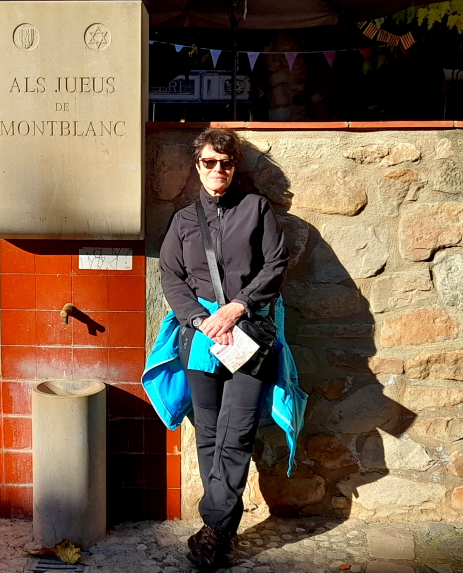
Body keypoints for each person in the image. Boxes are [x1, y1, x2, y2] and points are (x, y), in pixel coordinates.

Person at [144, 127, 304, 571]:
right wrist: (200, 320)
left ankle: (214, 528)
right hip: (200, 338)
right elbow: (171, 277)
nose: (218, 169)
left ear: (235, 167)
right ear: (198, 166)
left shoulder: (256, 209)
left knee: (237, 434)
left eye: (226, 163)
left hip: (248, 334)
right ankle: (220, 529)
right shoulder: (183, 221)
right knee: (210, 434)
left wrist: (236, 307)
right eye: (210, 162)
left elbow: (275, 264)